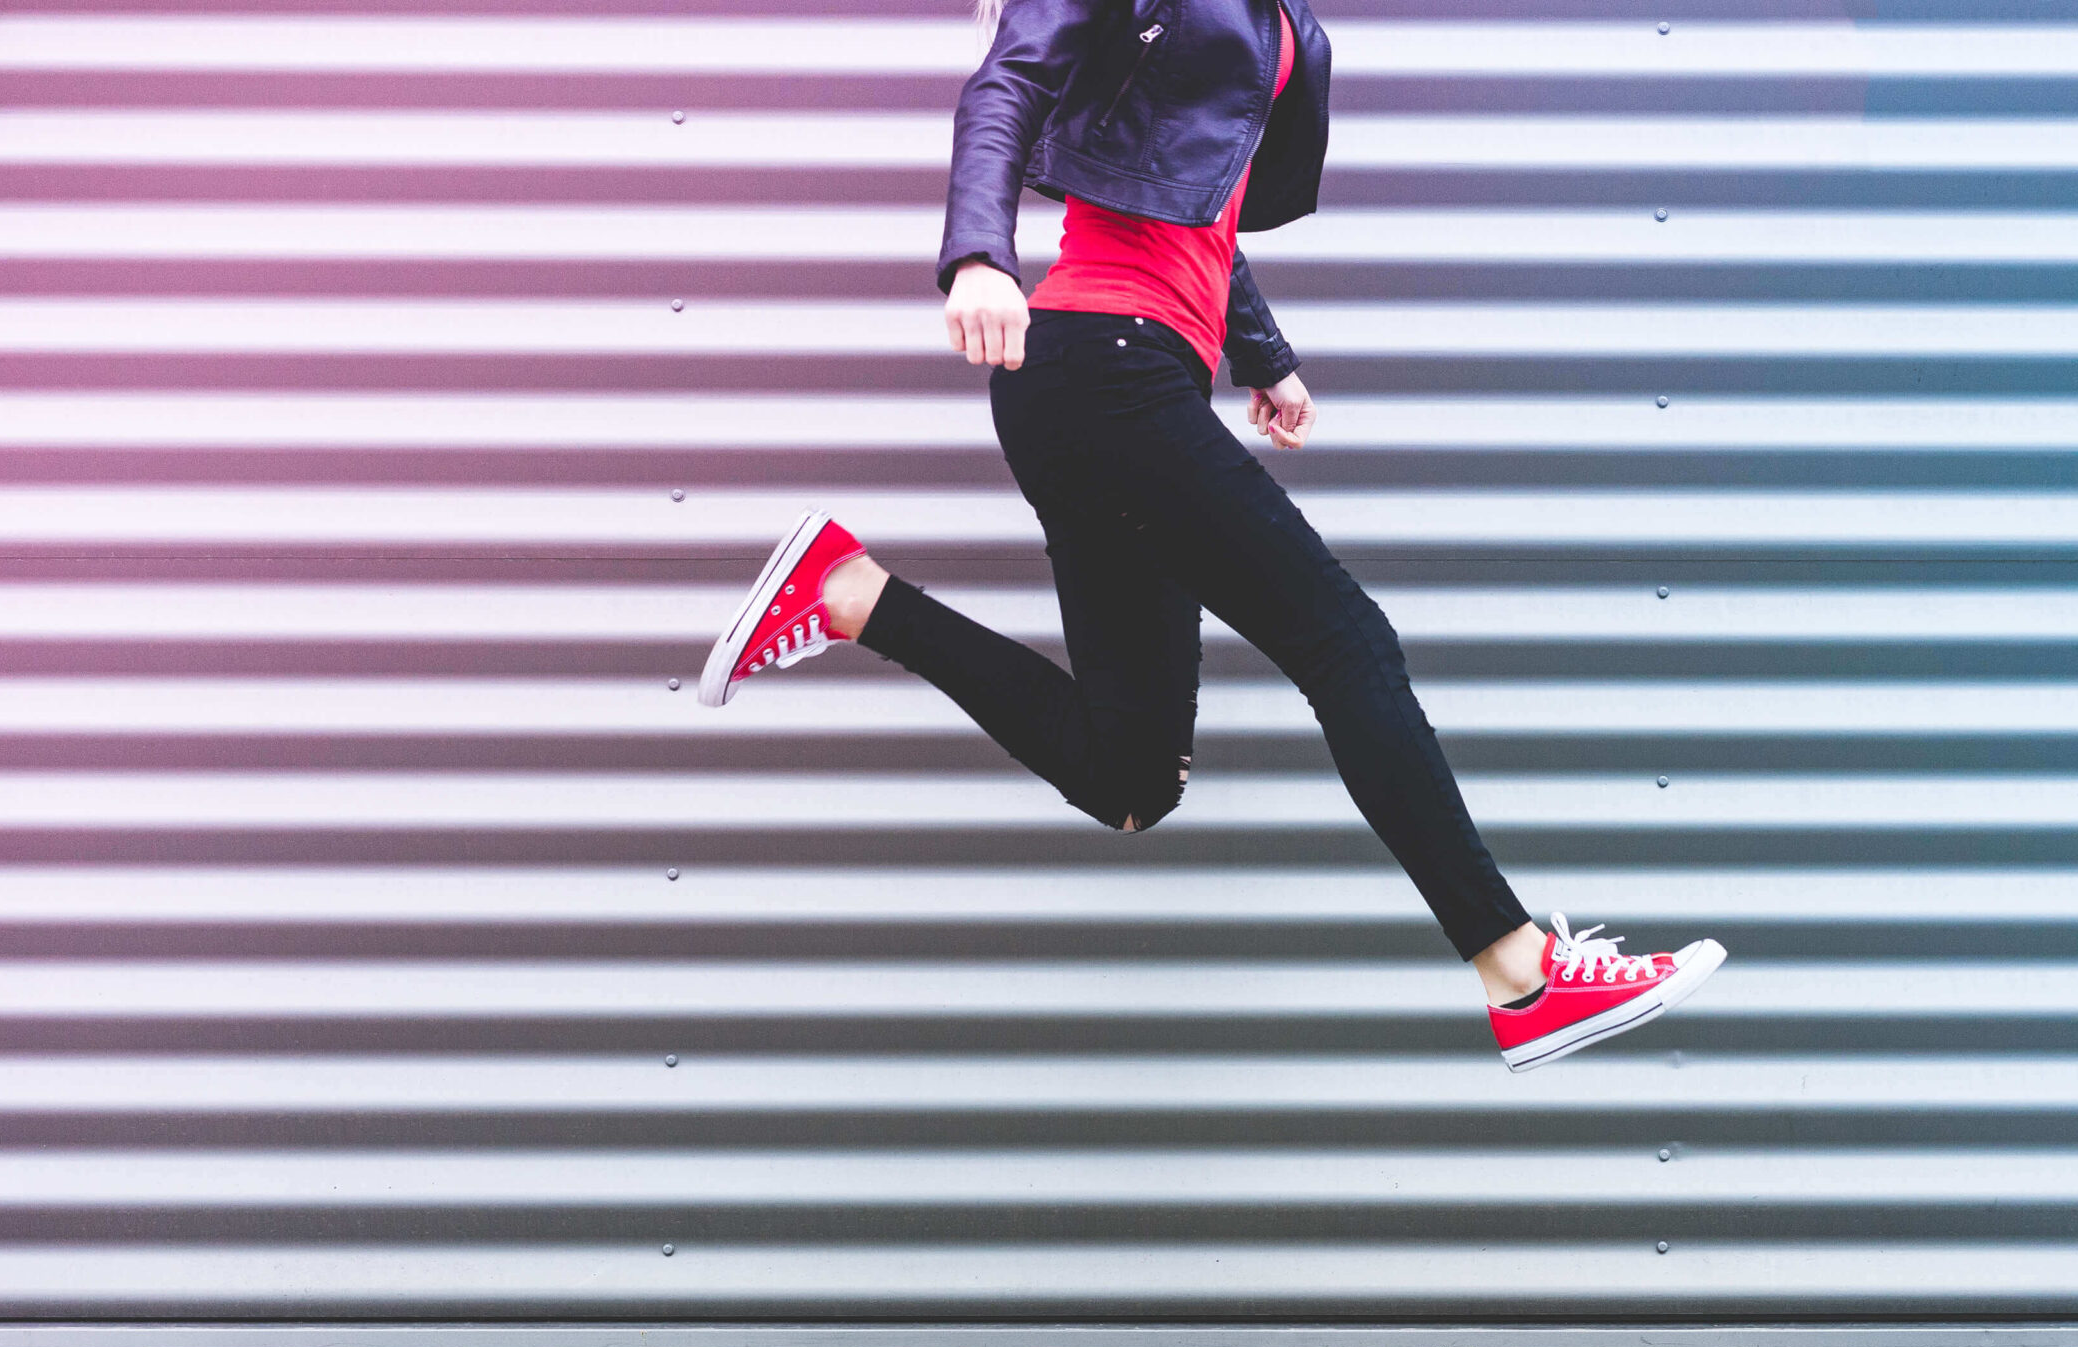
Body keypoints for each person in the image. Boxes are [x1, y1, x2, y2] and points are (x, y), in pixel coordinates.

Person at [698, 0, 1723, 1070]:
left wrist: (1259, 352)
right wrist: (977, 256)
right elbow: (1007, 81)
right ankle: (1520, 973)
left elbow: (1190, 192)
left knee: (1128, 779)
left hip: (1125, 373)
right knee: (1347, 643)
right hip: (1105, 362)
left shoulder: (1276, 17)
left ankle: (851, 592)